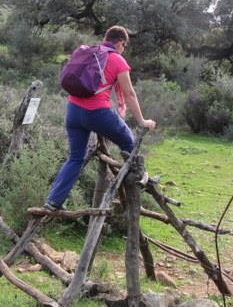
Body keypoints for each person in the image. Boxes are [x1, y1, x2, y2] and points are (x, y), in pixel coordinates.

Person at [45, 25, 156, 211]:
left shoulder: (90, 52)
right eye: (124, 46)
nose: (124, 49)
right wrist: (142, 121)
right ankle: (137, 183)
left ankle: (54, 200)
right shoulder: (117, 60)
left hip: (73, 111)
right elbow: (129, 93)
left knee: (75, 158)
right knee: (129, 141)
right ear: (120, 42)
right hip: (96, 112)